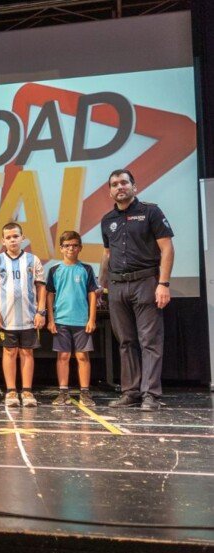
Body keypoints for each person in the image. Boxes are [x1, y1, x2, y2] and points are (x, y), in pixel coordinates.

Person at [100, 169, 174, 411]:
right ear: (110, 191)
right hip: (117, 285)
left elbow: (167, 249)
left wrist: (163, 284)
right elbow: (107, 254)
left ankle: (150, 394)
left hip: (146, 282)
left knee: (149, 341)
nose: (119, 187)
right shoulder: (107, 220)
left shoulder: (150, 212)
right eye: (114, 184)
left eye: (124, 182)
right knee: (126, 342)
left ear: (134, 187)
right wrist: (102, 285)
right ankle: (131, 392)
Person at [0, 222, 46, 407]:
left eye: (15, 236)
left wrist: (41, 311)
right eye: (8, 237)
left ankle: (27, 391)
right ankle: (11, 391)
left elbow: (41, 286)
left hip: (29, 316)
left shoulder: (32, 259)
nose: (12, 240)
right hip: (7, 317)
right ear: (3, 241)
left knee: (27, 352)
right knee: (9, 352)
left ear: (22, 237)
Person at [47, 231, 99, 407]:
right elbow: (50, 295)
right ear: (61, 248)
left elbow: (92, 294)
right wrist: (51, 319)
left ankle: (85, 393)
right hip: (61, 320)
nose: (71, 248)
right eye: (67, 245)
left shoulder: (86, 269)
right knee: (63, 356)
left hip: (81, 322)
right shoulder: (55, 270)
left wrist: (91, 319)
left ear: (80, 248)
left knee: (82, 357)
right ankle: (63, 393)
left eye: (75, 245)